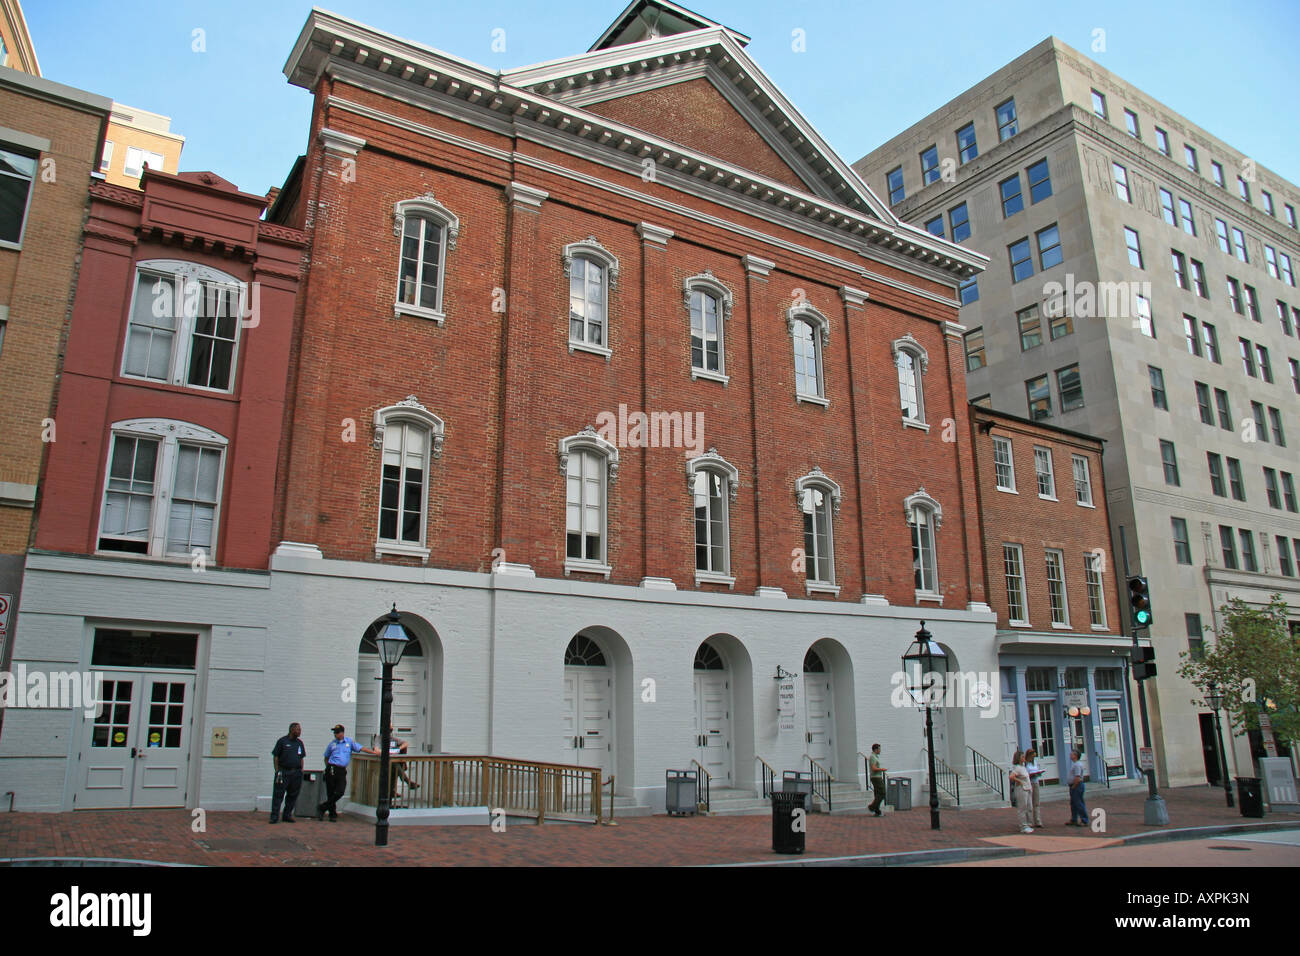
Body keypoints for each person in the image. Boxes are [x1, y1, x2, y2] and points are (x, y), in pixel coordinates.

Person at [318, 724, 378, 821]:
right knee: (331, 791)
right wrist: (328, 768)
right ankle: (332, 814)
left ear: (342, 733)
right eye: (335, 733)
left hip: (341, 769)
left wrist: (374, 752)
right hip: (332, 767)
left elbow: (361, 748)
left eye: (337, 732)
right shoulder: (332, 744)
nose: (335, 734)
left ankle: (323, 807)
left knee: (340, 791)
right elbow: (326, 757)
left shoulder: (349, 742)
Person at [269, 722, 305, 824]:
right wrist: (277, 770)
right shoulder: (282, 741)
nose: (300, 731)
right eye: (298, 729)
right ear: (292, 730)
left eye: (300, 729)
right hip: (283, 772)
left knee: (293, 795)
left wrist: (301, 770)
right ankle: (274, 816)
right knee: (278, 795)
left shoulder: (299, 743)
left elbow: (301, 757)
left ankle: (287, 815)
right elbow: (276, 756)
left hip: (296, 773)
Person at [1009, 749, 1033, 834]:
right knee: (1022, 808)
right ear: (1019, 758)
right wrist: (1019, 781)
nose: (1024, 758)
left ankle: (1028, 823)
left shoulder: (1023, 767)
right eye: (1022, 757)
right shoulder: (1017, 768)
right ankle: (1023, 826)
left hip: (1028, 788)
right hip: (1022, 789)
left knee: (1028, 807)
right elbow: (1011, 776)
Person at [1065, 749, 1088, 827]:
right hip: (1074, 785)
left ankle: (1084, 820)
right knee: (1073, 803)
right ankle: (1074, 819)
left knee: (1079, 803)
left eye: (1072, 754)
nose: (1070, 756)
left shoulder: (1077, 765)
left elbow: (1077, 777)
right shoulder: (1075, 764)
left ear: (1075, 756)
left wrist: (1074, 786)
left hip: (1077, 786)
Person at [1024, 747, 1045, 828]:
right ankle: (1029, 821)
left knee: (1036, 802)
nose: (1033, 757)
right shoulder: (1026, 763)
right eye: (1032, 755)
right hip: (1029, 783)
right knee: (1029, 803)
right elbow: (1025, 774)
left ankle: (1038, 820)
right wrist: (1031, 775)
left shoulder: (1035, 762)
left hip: (1035, 782)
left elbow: (1036, 770)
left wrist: (1038, 773)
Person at [867, 743, 887, 817]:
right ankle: (872, 807)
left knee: (877, 793)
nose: (880, 750)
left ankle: (877, 811)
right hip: (876, 777)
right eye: (879, 749)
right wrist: (882, 769)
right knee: (882, 792)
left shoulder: (875, 757)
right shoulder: (872, 757)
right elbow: (874, 768)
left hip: (877, 777)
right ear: (876, 749)